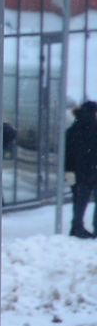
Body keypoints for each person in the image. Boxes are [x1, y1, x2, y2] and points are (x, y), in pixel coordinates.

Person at [65, 101, 97, 237]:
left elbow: (68, 153)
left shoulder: (73, 129)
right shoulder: (95, 127)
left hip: (79, 171)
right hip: (94, 169)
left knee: (79, 200)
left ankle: (77, 227)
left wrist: (69, 170)